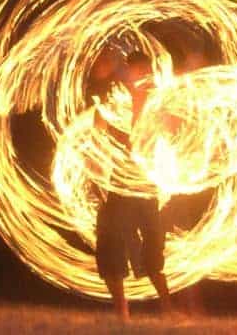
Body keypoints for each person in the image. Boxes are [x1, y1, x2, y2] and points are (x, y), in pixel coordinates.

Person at [92, 51, 172, 321]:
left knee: (151, 251)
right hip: (121, 184)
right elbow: (99, 129)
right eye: (138, 71)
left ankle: (168, 310)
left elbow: (165, 133)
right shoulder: (116, 100)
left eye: (146, 72)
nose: (142, 77)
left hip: (143, 185)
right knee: (111, 245)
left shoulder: (154, 103)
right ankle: (123, 314)